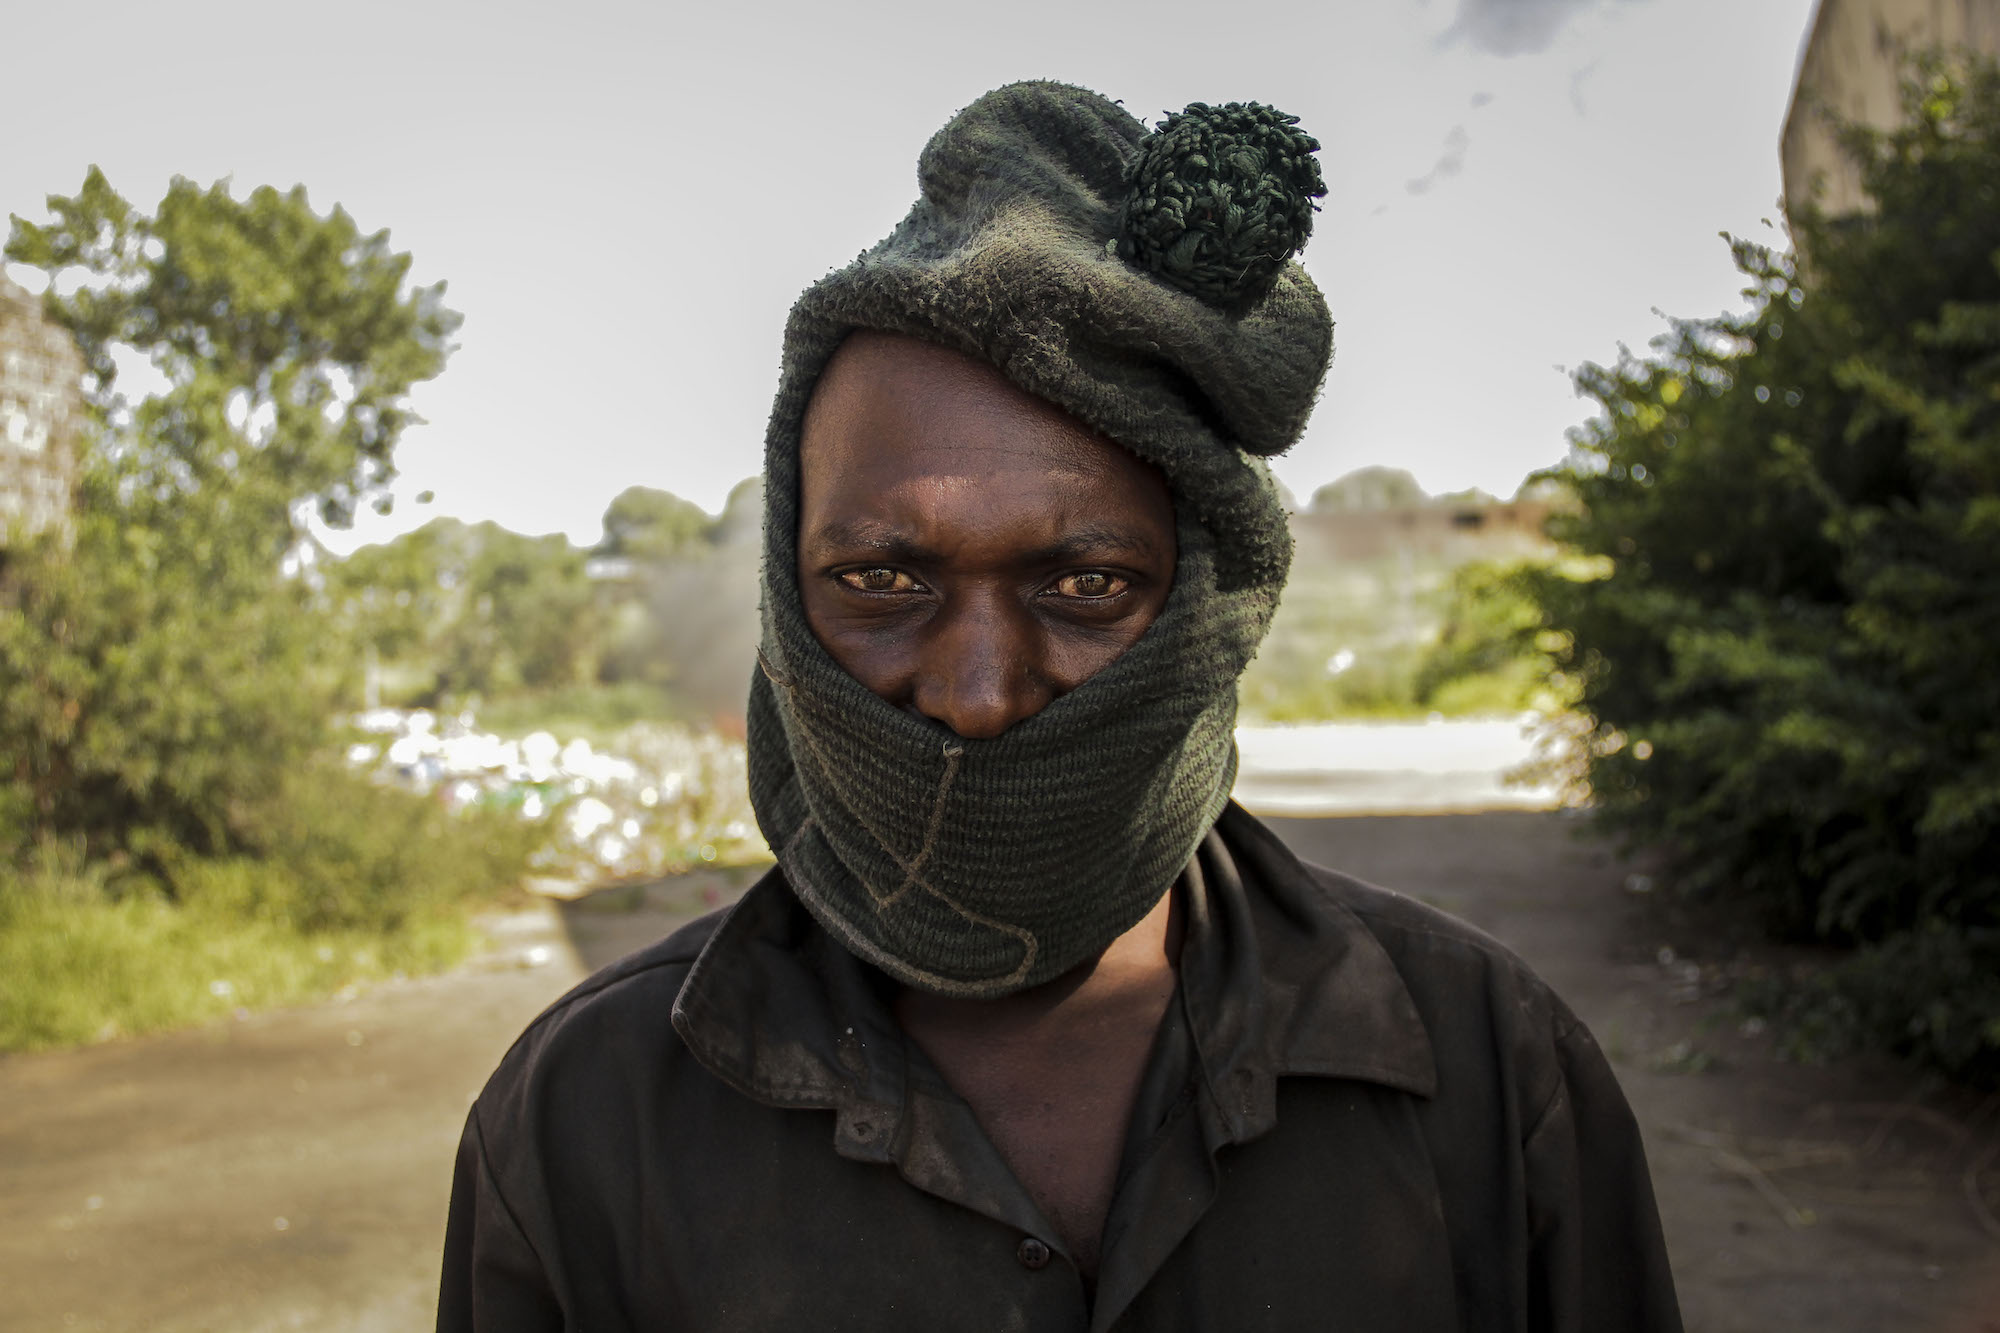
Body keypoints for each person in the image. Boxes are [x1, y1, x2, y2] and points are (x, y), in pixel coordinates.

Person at [437, 82, 1682, 1332]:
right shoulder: (577, 1123)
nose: (978, 696)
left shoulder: (1486, 1071)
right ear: (784, 588)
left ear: (1210, 595)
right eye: (881, 580)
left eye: (1087, 584)